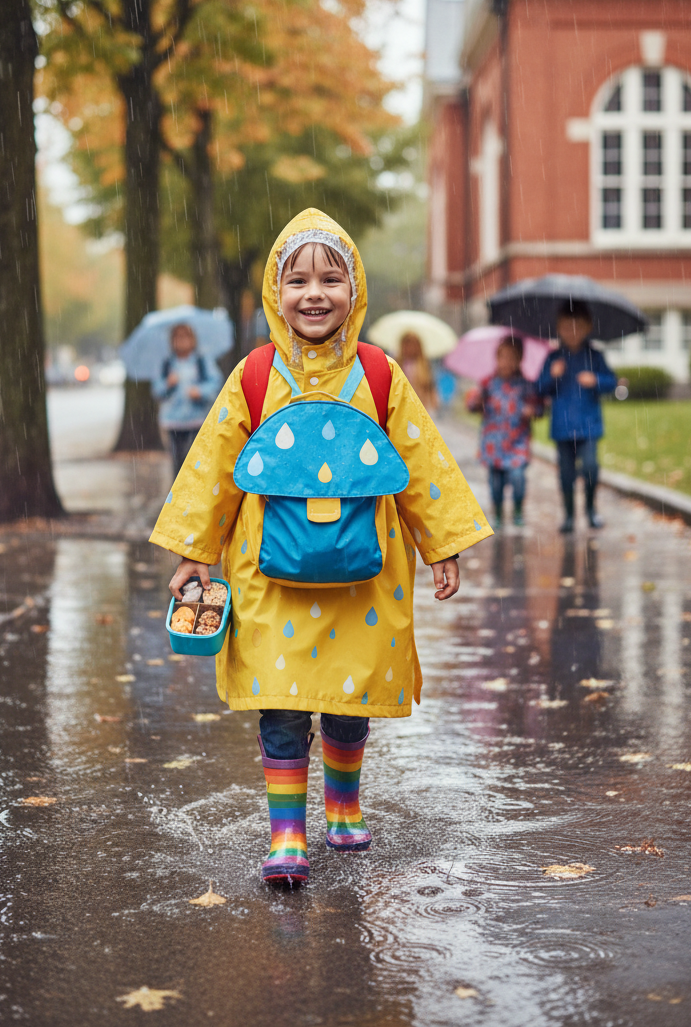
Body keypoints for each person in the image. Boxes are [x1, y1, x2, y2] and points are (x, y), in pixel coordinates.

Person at [149, 209, 491, 886]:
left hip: (365, 577)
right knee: (280, 701)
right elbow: (213, 464)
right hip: (266, 576)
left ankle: (343, 806)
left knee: (347, 698)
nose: (315, 293)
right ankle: (285, 835)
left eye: (331, 278)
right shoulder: (254, 376)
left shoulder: (380, 375)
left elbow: (422, 463)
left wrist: (442, 544)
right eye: (298, 279)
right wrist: (195, 550)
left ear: (354, 290)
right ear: (277, 294)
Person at [536, 300, 617, 533]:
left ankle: (591, 509)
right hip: (562, 427)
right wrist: (552, 376)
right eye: (566, 327)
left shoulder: (595, 356)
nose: (572, 332)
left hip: (588, 424)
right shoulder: (553, 358)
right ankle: (569, 515)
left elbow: (612, 381)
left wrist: (597, 381)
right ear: (558, 328)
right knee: (566, 474)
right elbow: (539, 389)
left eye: (578, 327)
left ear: (588, 327)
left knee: (591, 467)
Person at [467, 335, 540, 528]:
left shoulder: (525, 385)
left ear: (519, 361)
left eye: (512, 358)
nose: (507, 362)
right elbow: (472, 407)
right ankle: (498, 513)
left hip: (517, 440)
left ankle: (517, 509)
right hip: (494, 442)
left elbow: (539, 407)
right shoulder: (487, 383)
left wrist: (532, 410)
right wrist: (476, 401)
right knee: (495, 483)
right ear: (497, 358)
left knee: (517, 478)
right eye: (503, 357)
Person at [152, 322, 221, 475]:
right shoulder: (167, 363)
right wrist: (167, 384)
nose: (182, 341)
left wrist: (200, 392)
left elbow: (215, 382)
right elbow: (156, 390)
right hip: (173, 421)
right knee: (177, 461)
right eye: (178, 337)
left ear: (192, 339)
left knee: (195, 460)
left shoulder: (201, 361)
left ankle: (194, 493)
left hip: (196, 420)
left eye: (185, 337)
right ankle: (178, 494)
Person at [398, 331, 438, 413]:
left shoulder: (423, 365)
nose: (410, 348)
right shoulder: (397, 363)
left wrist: (433, 400)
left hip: (420, 404)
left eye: (413, 345)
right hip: (401, 404)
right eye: (407, 345)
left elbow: (430, 384)